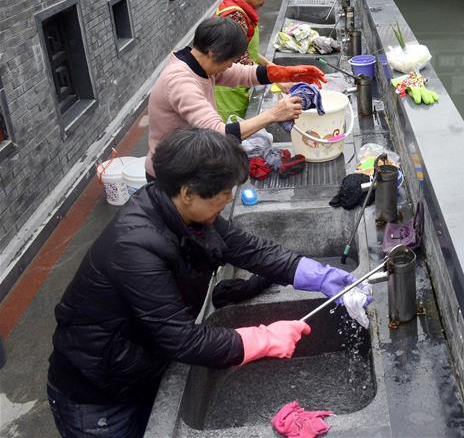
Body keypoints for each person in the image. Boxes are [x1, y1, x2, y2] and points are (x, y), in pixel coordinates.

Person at [47, 127, 363, 437]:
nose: (229, 198)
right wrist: (265, 338)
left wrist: (321, 276)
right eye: (224, 193)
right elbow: (183, 340)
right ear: (188, 193)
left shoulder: (179, 212)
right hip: (97, 396)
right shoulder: (135, 248)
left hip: (138, 367)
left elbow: (250, 249)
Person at [145, 16, 326, 180]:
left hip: (190, 162)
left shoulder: (198, 62)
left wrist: (287, 73)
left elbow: (242, 73)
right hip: (171, 176)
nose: (231, 66)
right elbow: (219, 134)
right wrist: (273, 115)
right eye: (231, 60)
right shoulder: (181, 82)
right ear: (212, 52)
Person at [213, 0, 276, 121]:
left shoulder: (235, 3)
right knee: (232, 127)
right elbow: (240, 58)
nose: (265, 1)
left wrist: (270, 65)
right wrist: (275, 77)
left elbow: (248, 50)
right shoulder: (235, 15)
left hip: (237, 81)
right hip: (229, 89)